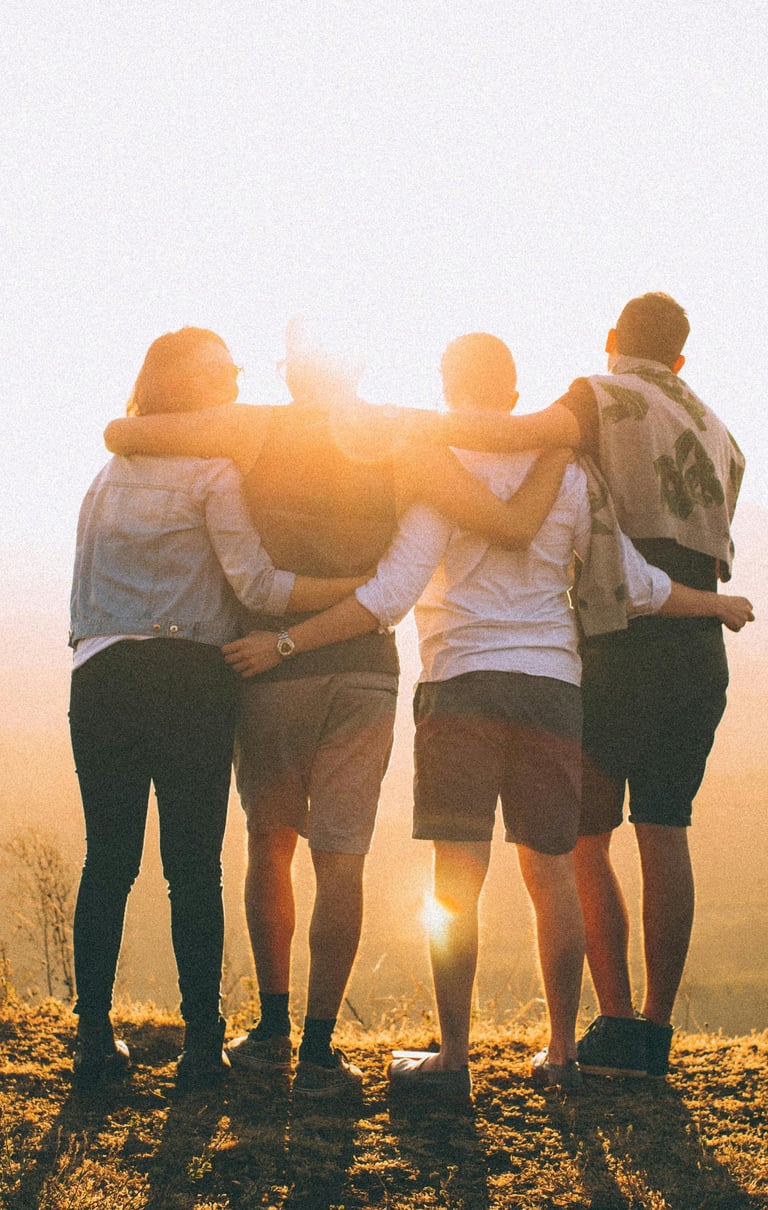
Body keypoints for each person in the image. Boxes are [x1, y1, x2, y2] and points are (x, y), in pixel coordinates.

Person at [222, 331, 753, 1098]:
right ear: (513, 394)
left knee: (456, 879)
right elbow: (633, 584)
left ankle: (453, 1060)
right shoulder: (570, 472)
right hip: (552, 688)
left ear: (447, 389)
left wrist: (287, 641)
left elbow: (390, 595)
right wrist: (715, 604)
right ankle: (562, 1055)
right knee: (552, 872)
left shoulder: (437, 469)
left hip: (460, 687)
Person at [103, 322, 572, 1100]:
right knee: (341, 859)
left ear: (292, 371)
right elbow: (503, 516)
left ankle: (271, 1032)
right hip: (364, 671)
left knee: (270, 844)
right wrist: (559, 438)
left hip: (269, 667)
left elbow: (126, 433)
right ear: (357, 365)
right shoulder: (401, 435)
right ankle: (321, 1053)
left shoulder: (253, 427)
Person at [68, 327, 369, 1092]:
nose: (235, 380)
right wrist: (355, 592)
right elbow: (258, 586)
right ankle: (202, 1047)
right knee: (193, 868)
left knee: (108, 861)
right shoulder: (213, 473)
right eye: (220, 371)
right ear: (187, 385)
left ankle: (93, 1041)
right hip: (189, 679)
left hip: (99, 677)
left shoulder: (105, 477)